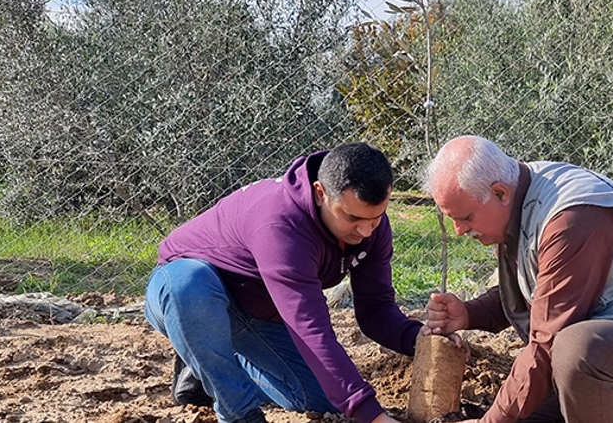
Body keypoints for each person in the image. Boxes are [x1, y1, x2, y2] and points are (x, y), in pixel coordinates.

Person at [421, 136, 613, 423]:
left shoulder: (571, 217)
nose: (459, 230)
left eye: (466, 217)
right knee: (527, 409)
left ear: (499, 193)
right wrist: (469, 313)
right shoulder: (516, 202)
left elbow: (547, 341)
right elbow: (541, 293)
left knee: (578, 352)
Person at [144, 143, 422, 423]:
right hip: (185, 296)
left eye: (375, 218)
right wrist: (373, 417)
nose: (365, 231)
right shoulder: (281, 225)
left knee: (321, 399)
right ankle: (238, 411)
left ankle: (207, 364)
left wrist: (419, 339)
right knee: (190, 284)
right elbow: (310, 328)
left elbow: (376, 309)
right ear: (320, 193)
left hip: (259, 312)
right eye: (352, 218)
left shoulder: (372, 227)